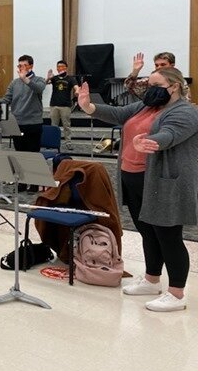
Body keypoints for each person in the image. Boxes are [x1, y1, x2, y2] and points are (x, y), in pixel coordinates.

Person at [78, 67, 198, 312]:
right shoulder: (146, 106)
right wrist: (89, 106)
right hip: (133, 178)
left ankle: (176, 293)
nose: (147, 88)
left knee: (168, 236)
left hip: (162, 183)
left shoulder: (185, 111)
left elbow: (170, 134)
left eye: (154, 84)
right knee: (148, 232)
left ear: (173, 86)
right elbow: (119, 113)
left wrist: (149, 142)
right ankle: (152, 280)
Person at [0, 54, 46, 153]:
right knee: (19, 153)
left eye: (24, 65)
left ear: (31, 66)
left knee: (33, 155)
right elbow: (7, 99)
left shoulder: (39, 80)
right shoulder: (14, 83)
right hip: (17, 123)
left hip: (33, 124)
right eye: (19, 66)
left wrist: (25, 79)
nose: (21, 68)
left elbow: (38, 89)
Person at [46, 60, 79, 150]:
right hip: (54, 105)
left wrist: (77, 91)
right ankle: (52, 142)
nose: (60, 68)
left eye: (62, 66)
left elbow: (76, 87)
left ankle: (68, 142)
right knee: (54, 125)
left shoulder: (70, 78)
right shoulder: (54, 78)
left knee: (66, 125)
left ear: (66, 68)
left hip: (65, 105)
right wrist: (48, 78)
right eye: (58, 67)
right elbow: (44, 84)